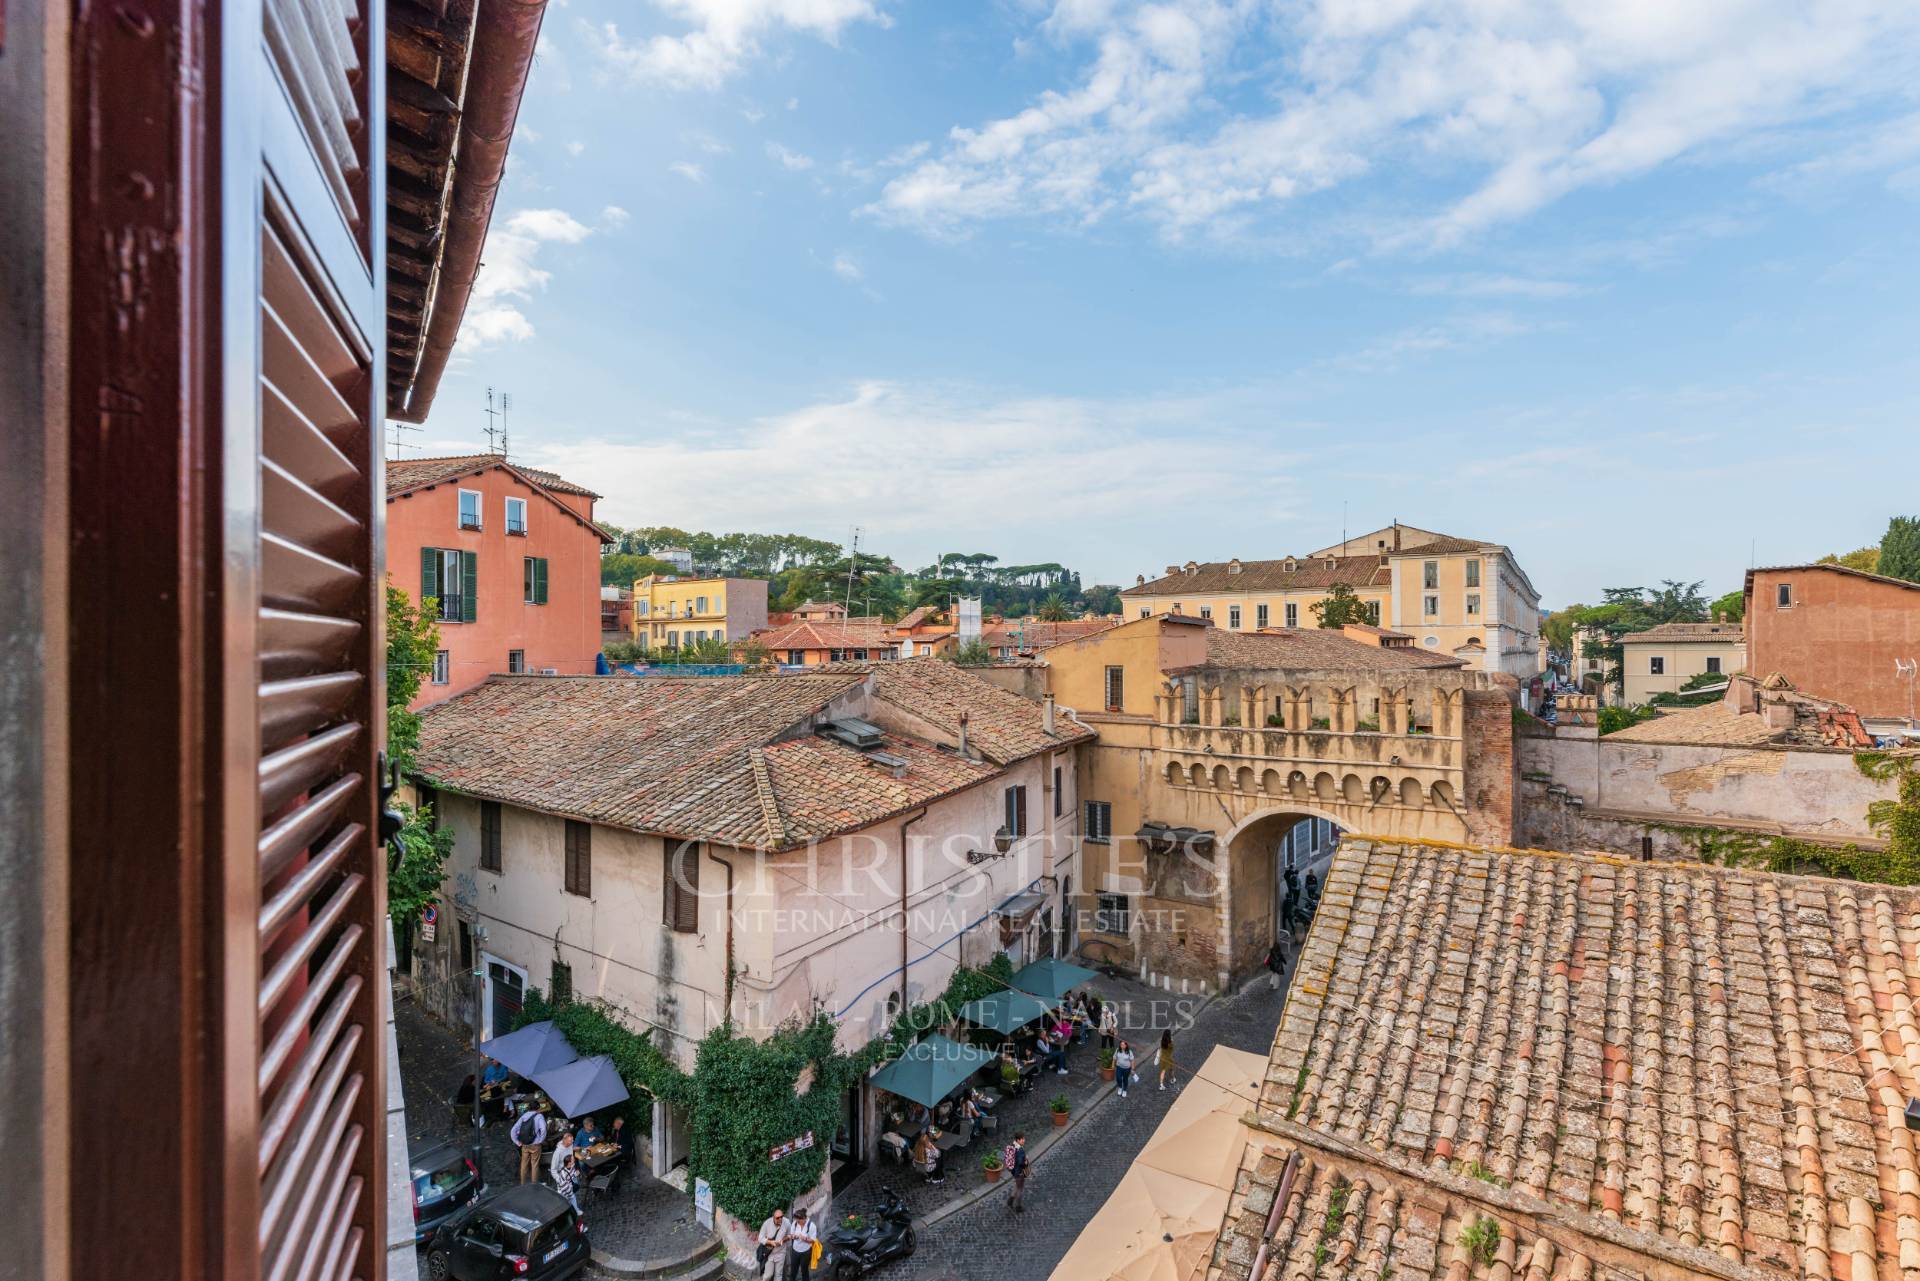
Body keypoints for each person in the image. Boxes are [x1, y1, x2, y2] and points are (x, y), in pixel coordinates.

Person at [510, 1105, 548, 1184]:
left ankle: (523, 1183)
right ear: (538, 1108)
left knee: (524, 1164)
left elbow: (513, 1130)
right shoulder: (539, 1116)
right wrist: (541, 1140)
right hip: (535, 1145)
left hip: (525, 1144)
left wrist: (517, 1142)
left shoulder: (523, 1116)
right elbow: (543, 1129)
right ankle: (534, 1184)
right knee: (534, 1164)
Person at [784, 1207, 818, 1279]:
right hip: (795, 1251)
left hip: (806, 1252)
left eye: (799, 1220)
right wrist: (794, 1236)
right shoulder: (795, 1223)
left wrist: (805, 1239)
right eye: (796, 1219)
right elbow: (791, 1235)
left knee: (804, 1270)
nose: (797, 1221)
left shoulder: (812, 1226)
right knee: (793, 1270)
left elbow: (813, 1240)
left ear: (804, 1218)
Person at [756, 1208, 787, 1280]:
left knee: (778, 1275)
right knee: (768, 1275)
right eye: (777, 1218)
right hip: (769, 1253)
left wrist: (783, 1240)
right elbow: (760, 1238)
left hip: (781, 1252)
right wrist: (770, 1242)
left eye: (781, 1217)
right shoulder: (767, 1223)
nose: (780, 1219)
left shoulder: (786, 1222)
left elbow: (789, 1235)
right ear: (773, 1217)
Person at [1006, 1132, 1030, 1214]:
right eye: (1022, 1139)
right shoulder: (1020, 1150)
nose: (1024, 1140)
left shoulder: (1013, 1146)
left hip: (1014, 1171)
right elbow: (1020, 1162)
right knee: (1020, 1189)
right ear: (1018, 1140)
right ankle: (1018, 1207)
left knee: (1016, 1185)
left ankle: (1010, 1201)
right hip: (1019, 1172)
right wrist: (1025, 1162)